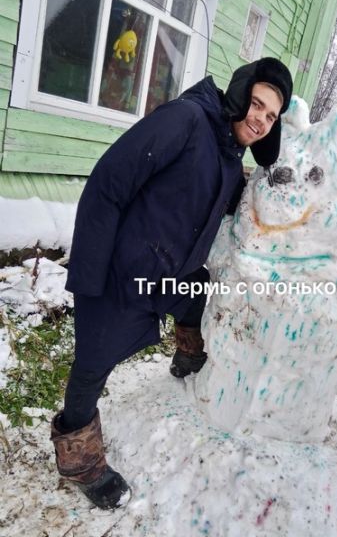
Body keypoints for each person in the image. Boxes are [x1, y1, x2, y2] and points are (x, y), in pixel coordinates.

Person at [50, 57, 293, 510]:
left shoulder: (227, 154)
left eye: (271, 115)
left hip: (168, 276)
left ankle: (188, 356)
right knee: (92, 366)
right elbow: (108, 182)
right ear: (239, 95)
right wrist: (91, 274)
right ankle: (79, 461)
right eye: (257, 105)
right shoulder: (185, 121)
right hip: (122, 274)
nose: (260, 120)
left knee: (198, 295)